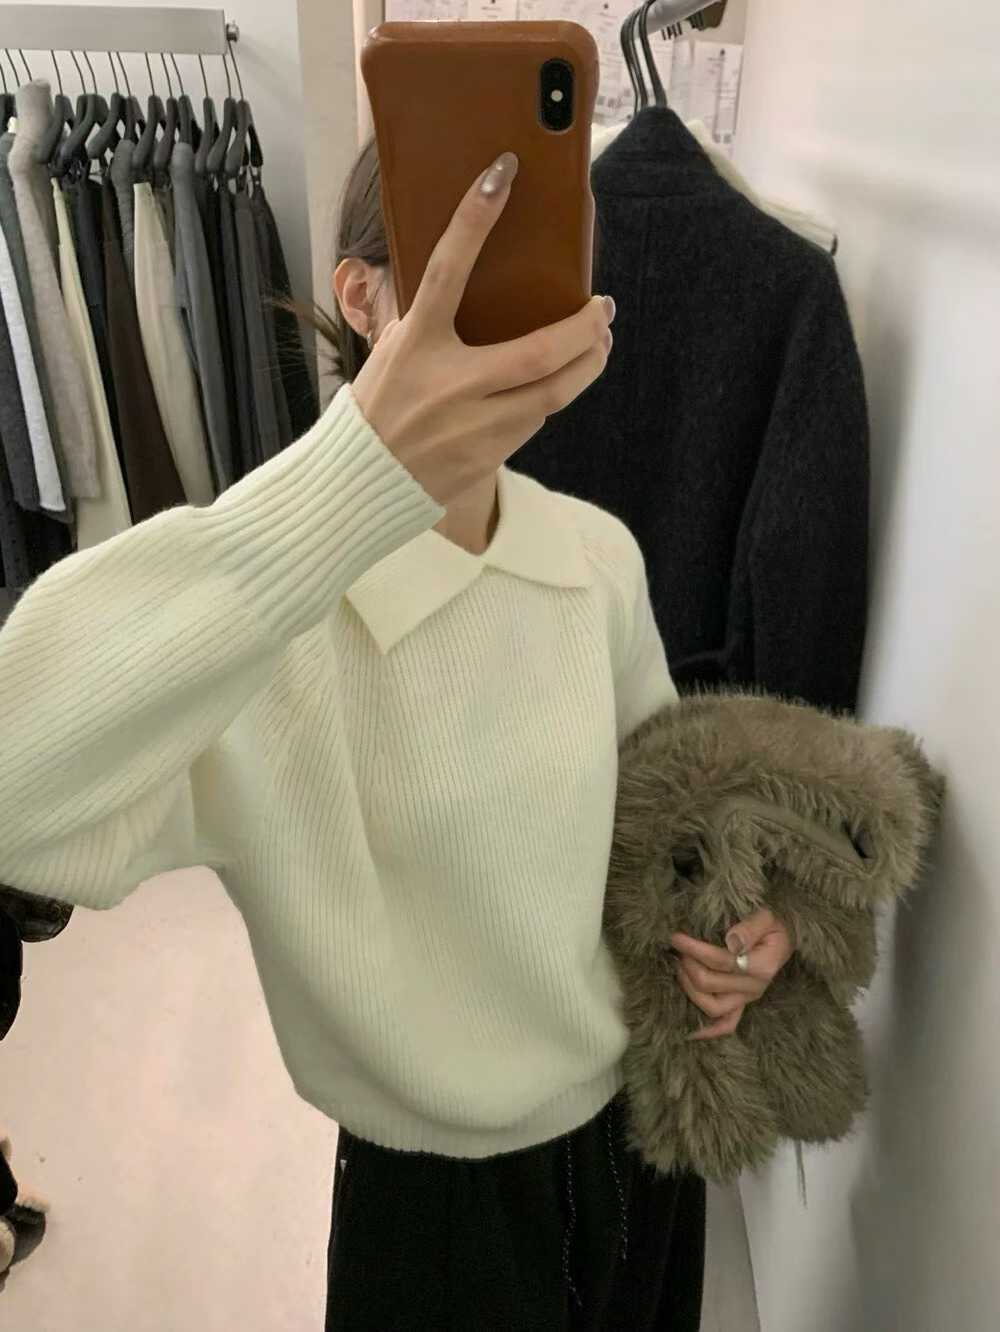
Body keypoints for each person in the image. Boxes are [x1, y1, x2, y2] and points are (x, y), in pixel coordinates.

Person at [0, 147, 795, 1330]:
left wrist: (737, 925)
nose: (511, 309)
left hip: (643, 1130)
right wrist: (348, 480)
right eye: (463, 266)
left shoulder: (594, 556)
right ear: (361, 296)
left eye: (542, 266)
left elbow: (657, 821)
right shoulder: (259, 625)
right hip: (437, 1207)